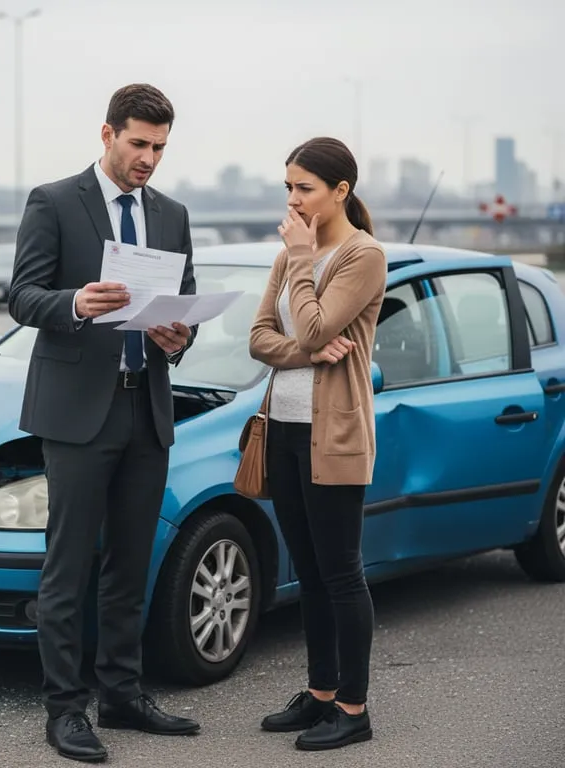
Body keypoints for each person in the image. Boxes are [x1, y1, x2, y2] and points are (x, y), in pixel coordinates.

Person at [8, 83, 200, 764]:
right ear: (108, 134)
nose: (149, 158)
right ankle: (66, 711)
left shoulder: (172, 215)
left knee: (129, 561)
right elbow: (22, 296)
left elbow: (181, 309)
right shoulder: (55, 202)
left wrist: (179, 338)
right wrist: (77, 303)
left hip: (145, 406)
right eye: (139, 143)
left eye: (159, 147)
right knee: (67, 568)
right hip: (77, 413)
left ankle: (122, 694)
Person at [248, 137, 386, 751]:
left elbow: (309, 323)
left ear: (341, 192)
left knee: (341, 574)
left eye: (304, 188)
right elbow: (258, 337)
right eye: (288, 188)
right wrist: (305, 348)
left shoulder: (363, 255)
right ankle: (322, 692)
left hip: (335, 436)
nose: (294, 199)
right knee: (305, 571)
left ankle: (353, 709)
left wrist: (302, 259)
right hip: (283, 430)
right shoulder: (291, 252)